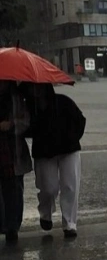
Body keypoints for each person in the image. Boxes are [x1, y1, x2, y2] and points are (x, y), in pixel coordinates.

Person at [22, 83, 86, 239]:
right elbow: (25, 129)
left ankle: (69, 223)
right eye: (31, 87)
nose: (35, 90)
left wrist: (72, 137)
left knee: (70, 186)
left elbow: (80, 120)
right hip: (44, 152)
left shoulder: (63, 102)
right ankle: (46, 212)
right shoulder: (28, 107)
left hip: (68, 149)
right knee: (47, 187)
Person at [0, 82, 32, 243]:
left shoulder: (16, 96)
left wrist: (12, 124)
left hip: (14, 151)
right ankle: (3, 224)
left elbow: (25, 120)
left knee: (14, 190)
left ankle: (13, 227)